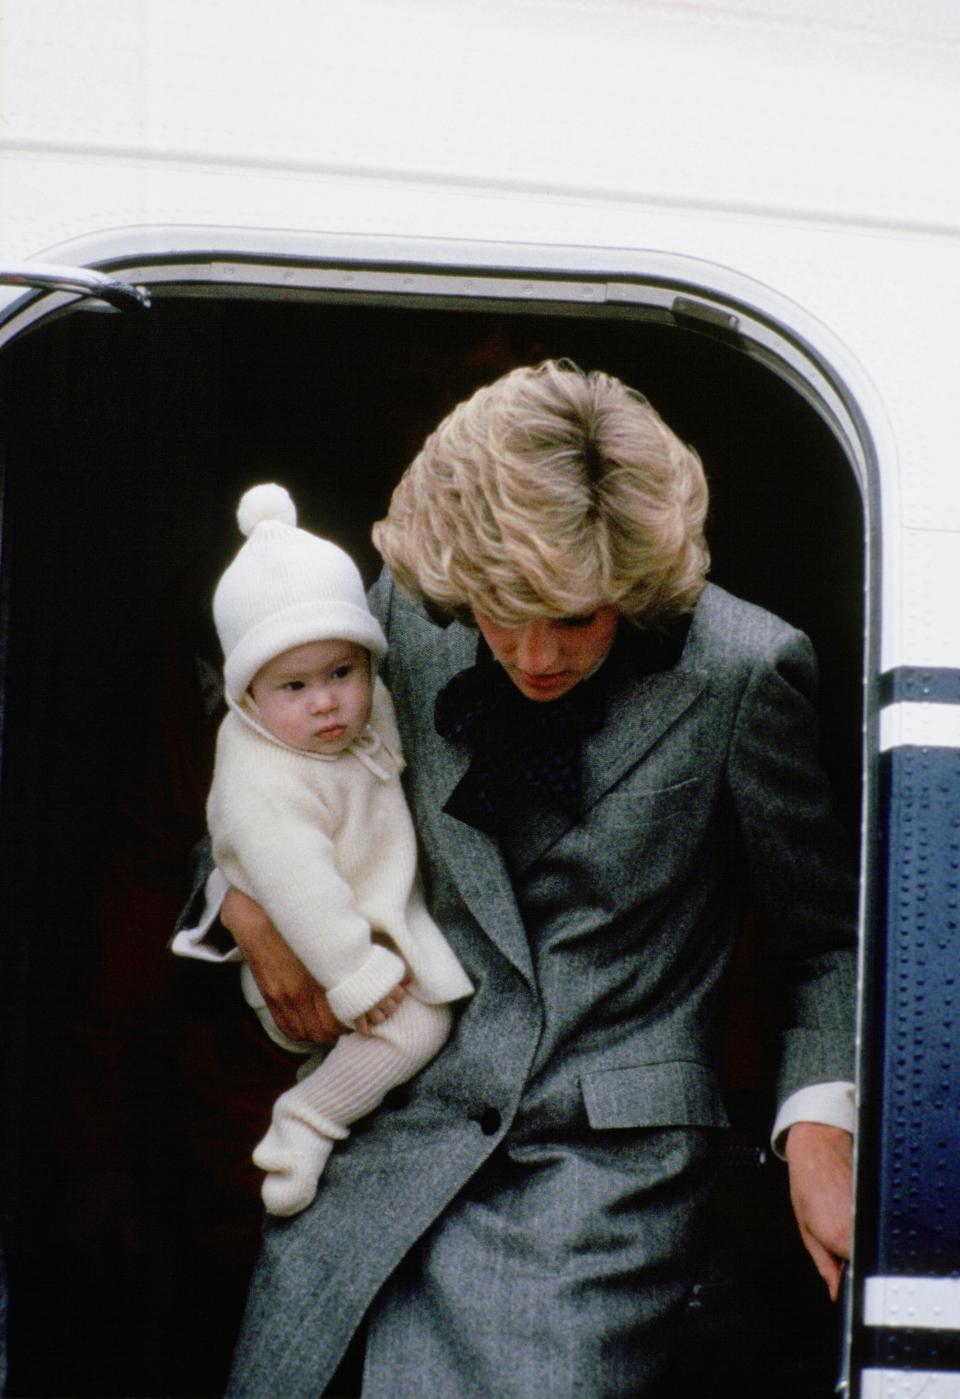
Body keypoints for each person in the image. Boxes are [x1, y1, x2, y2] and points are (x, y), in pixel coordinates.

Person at [179, 360, 856, 1397]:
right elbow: (267, 780)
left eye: (578, 619)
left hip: (594, 1185)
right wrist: (246, 906)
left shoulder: (743, 669)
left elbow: (829, 938)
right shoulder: (403, 610)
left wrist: (819, 1122)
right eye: (502, 612)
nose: (535, 655)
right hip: (373, 1137)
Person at [175, 483, 473, 1216]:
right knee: (419, 1022)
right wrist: (353, 970)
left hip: (368, 922)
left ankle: (328, 1092)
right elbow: (295, 882)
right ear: (246, 695)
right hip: (316, 956)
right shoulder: (261, 774)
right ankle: (305, 1120)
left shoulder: (362, 716)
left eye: (343, 672)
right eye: (294, 685)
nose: (326, 703)